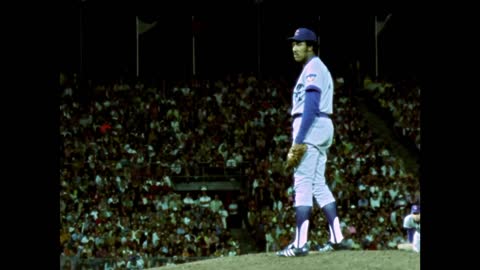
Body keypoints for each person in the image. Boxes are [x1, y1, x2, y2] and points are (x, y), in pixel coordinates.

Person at [276, 27, 345, 257]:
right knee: (317, 183)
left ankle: (300, 244)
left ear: (310, 46)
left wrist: (298, 140)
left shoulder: (314, 66)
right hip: (322, 126)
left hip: (312, 124)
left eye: (299, 43)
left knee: (303, 182)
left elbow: (311, 104)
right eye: (293, 44)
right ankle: (337, 237)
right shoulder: (313, 67)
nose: (294, 48)